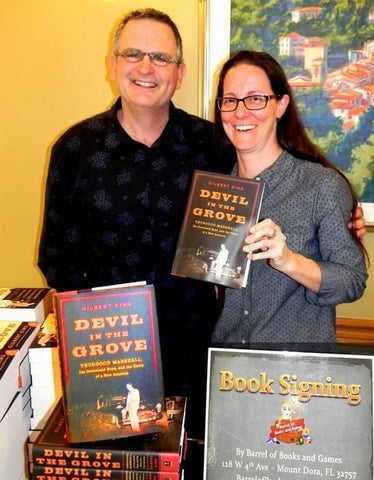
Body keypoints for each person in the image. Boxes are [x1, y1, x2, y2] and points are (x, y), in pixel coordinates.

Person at [38, 10, 366, 437]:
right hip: (109, 353)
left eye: (160, 57)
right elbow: (57, 258)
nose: (145, 67)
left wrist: (343, 215)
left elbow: (278, 174)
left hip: (201, 353)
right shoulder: (75, 149)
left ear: (179, 73)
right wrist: (95, 335)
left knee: (201, 459)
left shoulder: (210, 144)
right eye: (133, 53)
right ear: (113, 63)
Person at [211, 50, 368, 352]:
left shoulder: (321, 186)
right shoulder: (214, 187)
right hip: (228, 370)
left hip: (298, 377)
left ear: (280, 105)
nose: (240, 112)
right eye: (230, 100)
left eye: (255, 98)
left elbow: (352, 280)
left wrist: (289, 261)